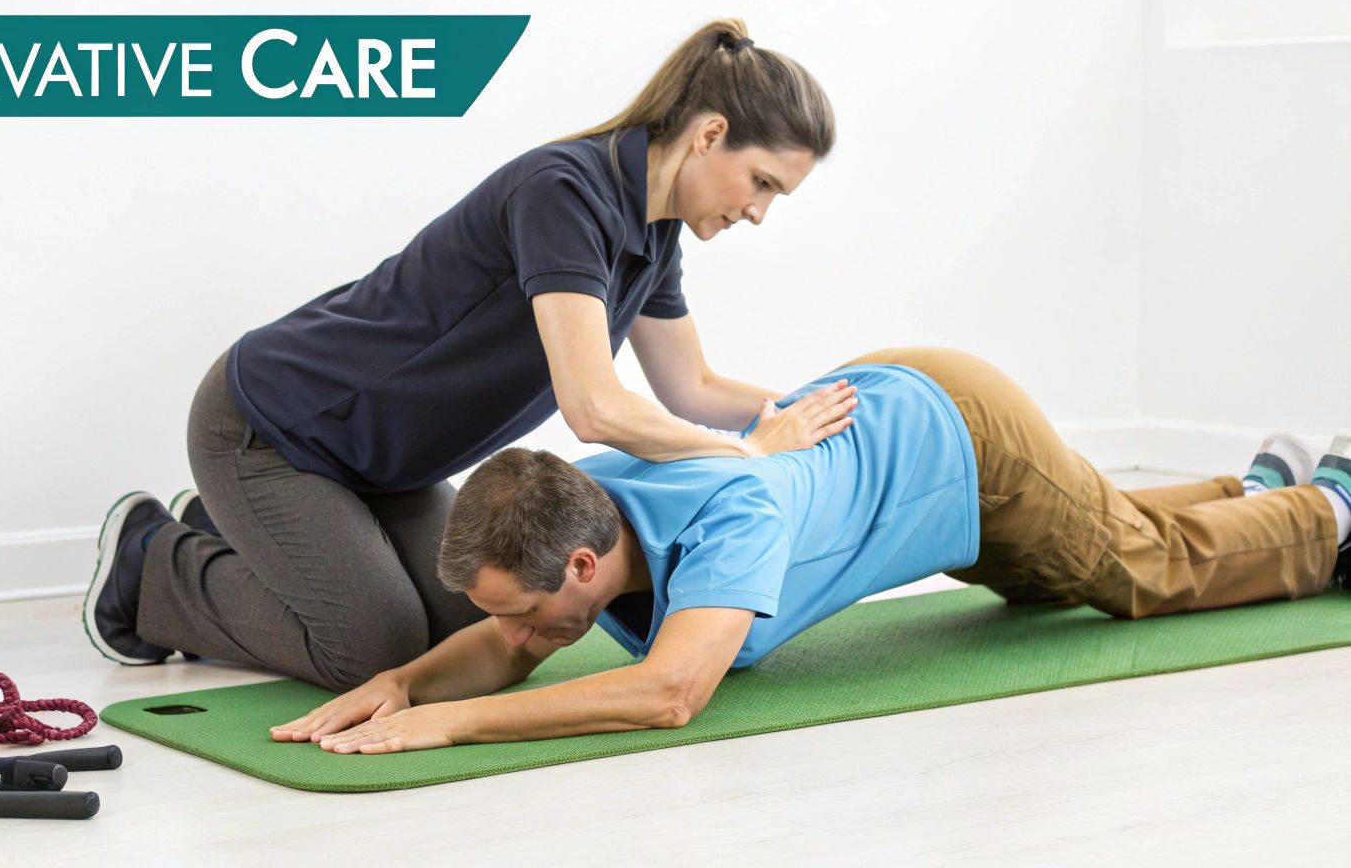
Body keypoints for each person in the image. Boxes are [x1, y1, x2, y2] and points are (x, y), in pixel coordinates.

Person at [83, 19, 854, 690]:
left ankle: (242, 534)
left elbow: (691, 384)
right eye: (761, 183)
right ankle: (152, 561)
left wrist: (806, 416)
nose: (757, 213)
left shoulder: (655, 235)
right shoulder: (566, 193)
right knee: (371, 648)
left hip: (391, 462)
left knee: (472, 623)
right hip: (275, 428)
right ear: (710, 133)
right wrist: (749, 457)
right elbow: (595, 408)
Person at [268, 346, 1351, 754]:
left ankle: (1334, 498)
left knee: (1139, 574)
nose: (508, 636)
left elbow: (665, 694)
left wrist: (450, 724)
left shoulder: (725, 525)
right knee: (1064, 566)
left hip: (962, 445)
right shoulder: (578, 512)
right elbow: (510, 651)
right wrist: (400, 683)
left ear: (583, 567)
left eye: (515, 610)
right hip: (906, 439)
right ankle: (1259, 487)